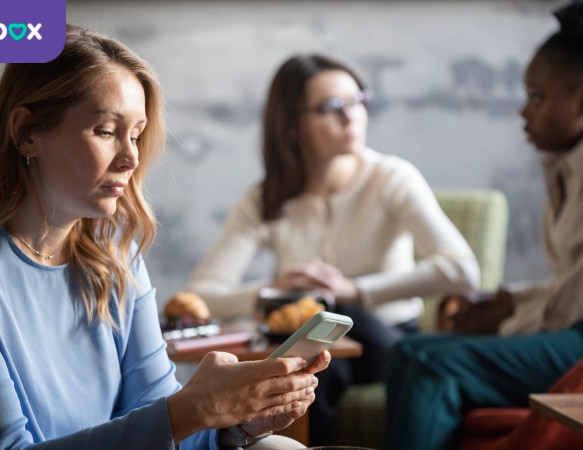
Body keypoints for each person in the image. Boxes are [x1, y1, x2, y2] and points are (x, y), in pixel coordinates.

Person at [0, 25, 329, 450]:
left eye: (136, 135)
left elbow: (160, 424)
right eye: (106, 131)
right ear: (27, 131)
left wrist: (239, 424)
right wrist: (192, 409)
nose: (131, 157)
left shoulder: (116, 261)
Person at [387, 1, 583, 448]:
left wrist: (507, 322)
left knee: (435, 365)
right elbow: (577, 284)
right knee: (406, 352)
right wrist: (511, 303)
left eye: (537, 96)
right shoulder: (572, 163)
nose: (523, 112)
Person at [186, 53, 480, 445]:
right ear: (292, 125)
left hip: (387, 341)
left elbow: (462, 270)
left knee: (327, 319)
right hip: (317, 348)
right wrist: (280, 293)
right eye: (331, 108)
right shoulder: (266, 198)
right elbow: (201, 295)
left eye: (359, 100)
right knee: (314, 368)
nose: (351, 116)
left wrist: (352, 291)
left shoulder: (391, 177)